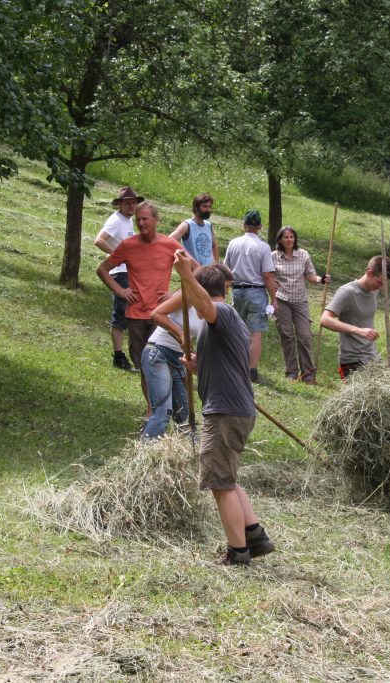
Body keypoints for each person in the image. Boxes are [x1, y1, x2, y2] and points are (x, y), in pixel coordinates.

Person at [174, 253, 275, 566]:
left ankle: (238, 552)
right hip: (234, 408)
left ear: (201, 290)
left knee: (219, 483)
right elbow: (225, 363)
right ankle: (254, 536)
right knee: (227, 478)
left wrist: (185, 274)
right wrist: (198, 367)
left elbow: (205, 306)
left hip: (226, 412)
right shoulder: (224, 321)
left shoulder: (219, 311)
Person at [97, 200, 188, 408]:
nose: (141, 223)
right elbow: (102, 269)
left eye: (145, 219)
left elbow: (194, 270)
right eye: (138, 220)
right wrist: (120, 290)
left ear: (156, 220)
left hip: (161, 316)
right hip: (135, 315)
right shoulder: (128, 245)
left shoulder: (169, 245)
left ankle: (177, 407)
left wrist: (174, 294)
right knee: (145, 367)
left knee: (167, 363)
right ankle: (152, 409)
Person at [142, 265, 234, 439]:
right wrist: (180, 333)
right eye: (225, 287)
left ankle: (194, 457)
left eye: (228, 289)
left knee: (184, 416)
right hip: (158, 351)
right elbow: (156, 314)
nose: (226, 293)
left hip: (179, 358)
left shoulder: (210, 309)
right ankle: (145, 454)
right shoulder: (188, 296)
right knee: (162, 413)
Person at [223, 210, 277, 384]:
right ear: (260, 227)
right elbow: (267, 275)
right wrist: (274, 298)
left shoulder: (233, 243)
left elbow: (226, 270)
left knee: (237, 329)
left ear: (243, 225)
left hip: (238, 290)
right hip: (256, 291)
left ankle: (234, 364)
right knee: (255, 333)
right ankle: (251, 369)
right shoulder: (263, 247)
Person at [319, 255, 390, 379]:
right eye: (379, 283)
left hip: (372, 356)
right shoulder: (347, 292)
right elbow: (324, 320)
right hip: (352, 360)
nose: (380, 288)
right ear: (369, 273)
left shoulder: (373, 290)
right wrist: (358, 331)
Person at [93, 186, 143, 371]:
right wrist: (117, 256)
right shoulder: (116, 220)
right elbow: (99, 240)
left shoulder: (128, 221)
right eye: (128, 202)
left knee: (130, 311)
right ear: (120, 204)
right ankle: (118, 355)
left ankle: (128, 354)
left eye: (134, 202)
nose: (131, 206)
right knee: (121, 313)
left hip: (127, 271)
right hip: (119, 273)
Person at [271, 226, 329, 383]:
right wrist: (271, 284)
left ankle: (308, 374)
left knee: (304, 336)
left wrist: (321, 279)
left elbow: (311, 276)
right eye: (286, 237)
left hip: (300, 301)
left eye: (292, 237)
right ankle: (291, 372)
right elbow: (268, 276)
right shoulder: (273, 256)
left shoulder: (303, 255)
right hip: (282, 299)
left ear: (295, 239)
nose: (289, 240)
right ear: (280, 240)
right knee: (287, 335)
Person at [169, 192, 219, 266]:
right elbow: (170, 240)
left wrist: (216, 263)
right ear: (196, 207)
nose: (208, 210)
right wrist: (184, 255)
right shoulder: (187, 225)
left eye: (209, 207)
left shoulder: (208, 225)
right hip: (194, 272)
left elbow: (214, 245)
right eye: (204, 206)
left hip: (208, 271)